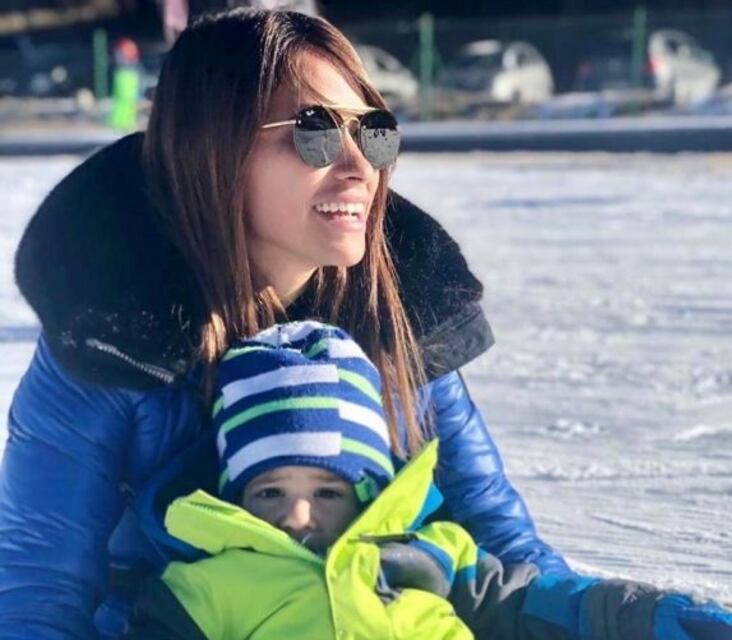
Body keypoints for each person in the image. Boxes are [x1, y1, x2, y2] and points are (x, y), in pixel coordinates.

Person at [0, 9, 566, 638]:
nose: (359, 166)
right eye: (313, 132)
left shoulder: (400, 316)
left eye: (373, 132)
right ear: (212, 150)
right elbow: (39, 589)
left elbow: (504, 548)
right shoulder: (112, 338)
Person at [124, 321, 732, 640]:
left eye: (327, 492)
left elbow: (536, 604)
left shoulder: (434, 555)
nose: (297, 516)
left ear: (370, 491)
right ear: (235, 495)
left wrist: (641, 615)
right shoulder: (203, 589)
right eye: (270, 492)